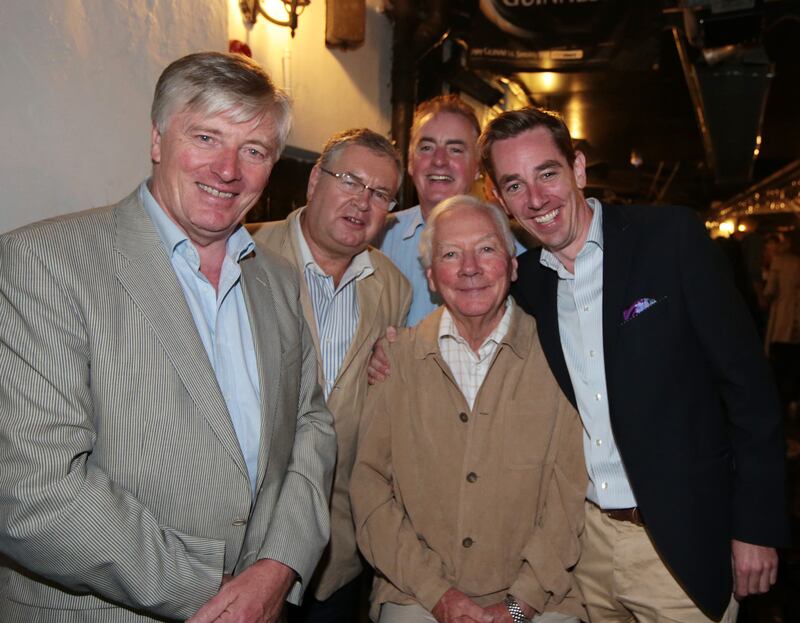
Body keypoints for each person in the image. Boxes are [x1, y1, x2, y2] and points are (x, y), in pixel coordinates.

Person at [0, 52, 336, 623]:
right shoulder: (41, 262)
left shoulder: (276, 277)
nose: (228, 169)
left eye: (253, 151)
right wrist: (214, 593)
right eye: (206, 137)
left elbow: (311, 424)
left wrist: (280, 566)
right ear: (157, 140)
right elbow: (34, 490)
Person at [478, 106, 789, 622]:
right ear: (498, 196)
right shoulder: (527, 280)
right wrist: (392, 345)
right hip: (584, 550)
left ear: (578, 169)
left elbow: (749, 389)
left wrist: (755, 525)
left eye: (548, 174)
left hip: (677, 546)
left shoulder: (670, 239)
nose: (536, 199)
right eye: (514, 185)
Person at [351, 195, 587, 623]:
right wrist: (438, 595)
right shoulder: (397, 359)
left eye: (486, 249)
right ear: (432, 279)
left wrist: (518, 607)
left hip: (541, 596)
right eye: (450, 254)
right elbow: (368, 487)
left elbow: (569, 496)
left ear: (513, 265)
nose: (470, 268)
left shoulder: (558, 355)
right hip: (415, 592)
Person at [253, 128, 412, 623]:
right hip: (246, 543)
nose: (362, 202)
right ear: (314, 180)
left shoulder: (392, 286)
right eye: (350, 180)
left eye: (380, 193)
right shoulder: (245, 255)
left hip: (337, 549)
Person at [377, 95, 526, 327]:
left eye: (455, 150)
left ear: (478, 166)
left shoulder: (514, 250)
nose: (438, 160)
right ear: (410, 162)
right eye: (426, 147)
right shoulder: (378, 240)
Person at [763, 231, 800, 414]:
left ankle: (782, 402)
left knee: (781, 362)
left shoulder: (780, 263)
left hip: (783, 318)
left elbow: (770, 290)